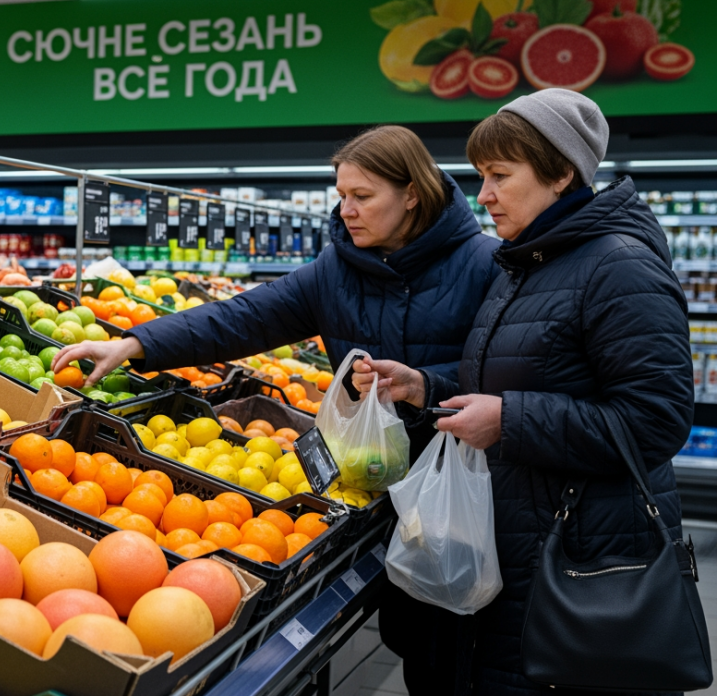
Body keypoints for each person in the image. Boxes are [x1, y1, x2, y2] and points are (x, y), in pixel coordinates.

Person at [53, 124, 499, 693]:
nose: (348, 210)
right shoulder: (338, 271)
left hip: (461, 488)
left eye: (363, 197)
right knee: (411, 638)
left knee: (457, 648)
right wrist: (134, 343)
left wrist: (423, 384)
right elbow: (240, 318)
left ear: (411, 193)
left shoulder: (487, 264)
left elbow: (511, 372)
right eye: (342, 195)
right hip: (365, 487)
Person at [357, 89, 692, 693]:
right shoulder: (532, 262)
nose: (482, 195)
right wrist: (422, 386)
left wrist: (509, 421)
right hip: (520, 546)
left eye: (499, 176)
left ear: (561, 173)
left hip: (579, 562)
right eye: (481, 176)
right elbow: (521, 376)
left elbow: (657, 420)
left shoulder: (619, 266)